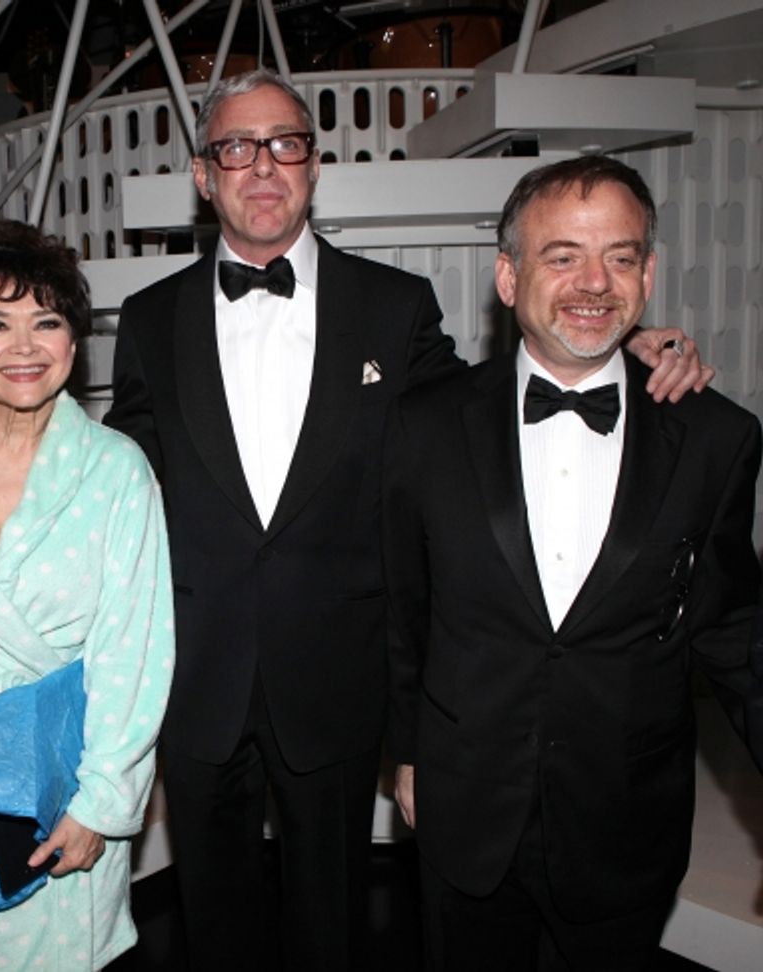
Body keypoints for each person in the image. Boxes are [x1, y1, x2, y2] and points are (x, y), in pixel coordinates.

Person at [104, 68, 714, 971]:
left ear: (314, 167)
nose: (263, 166)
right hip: (198, 676)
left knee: (335, 932)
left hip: (340, 682)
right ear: (204, 175)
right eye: (237, 147)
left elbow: (485, 407)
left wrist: (610, 339)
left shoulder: (394, 307)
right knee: (214, 928)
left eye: (286, 144)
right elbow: (116, 469)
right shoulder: (150, 320)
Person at [383, 155, 761, 971]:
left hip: (625, 818)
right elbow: (403, 609)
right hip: (465, 805)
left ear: (649, 274)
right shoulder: (422, 426)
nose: (595, 282)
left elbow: (733, 630)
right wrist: (408, 752)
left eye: (620, 257)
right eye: (564, 257)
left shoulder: (716, 439)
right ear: (509, 278)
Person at [0, 221, 174, 971]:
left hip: (57, 776)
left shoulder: (117, 471)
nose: (23, 347)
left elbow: (135, 652)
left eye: (46, 322)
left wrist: (101, 803)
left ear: (74, 346)